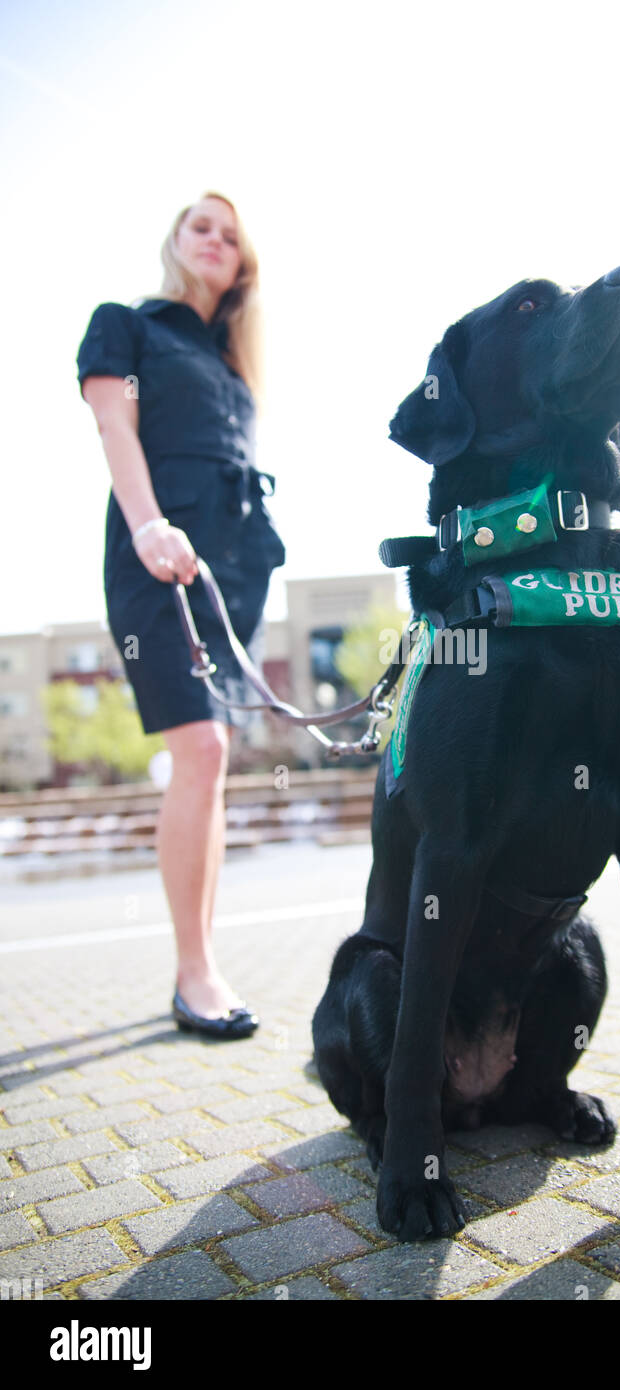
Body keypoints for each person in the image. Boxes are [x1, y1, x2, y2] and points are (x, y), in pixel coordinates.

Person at [77, 191, 286, 1039]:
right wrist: (147, 524)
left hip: (233, 571)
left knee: (218, 756)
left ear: (242, 263)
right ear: (175, 241)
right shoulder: (126, 327)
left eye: (230, 235)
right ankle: (194, 971)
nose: (215, 241)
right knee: (200, 746)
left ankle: (199, 959)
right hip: (155, 558)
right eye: (202, 226)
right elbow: (113, 425)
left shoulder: (236, 367)